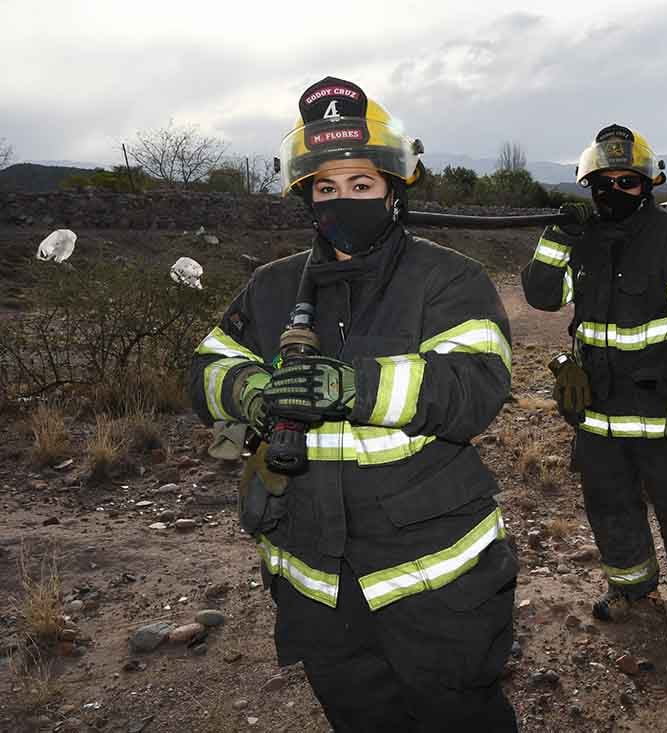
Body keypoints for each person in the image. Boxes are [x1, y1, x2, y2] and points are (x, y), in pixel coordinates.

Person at [189, 77, 518, 731]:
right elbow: (206, 366)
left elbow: (475, 386)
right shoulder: (272, 285)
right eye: (326, 186)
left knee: (461, 714)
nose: (344, 199)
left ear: (393, 188)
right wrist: (251, 393)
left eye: (361, 185)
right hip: (317, 582)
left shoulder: (448, 279)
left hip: (434, 578)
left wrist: (352, 386)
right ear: (306, 194)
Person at [521, 124, 667, 651]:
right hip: (597, 415)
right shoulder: (584, 242)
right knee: (610, 507)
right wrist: (555, 241)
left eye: (627, 182)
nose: (613, 192)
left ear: (649, 185)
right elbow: (543, 298)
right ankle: (630, 586)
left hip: (664, 413)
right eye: (602, 183)